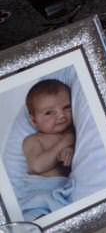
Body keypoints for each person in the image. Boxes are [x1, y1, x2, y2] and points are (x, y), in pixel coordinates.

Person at [16, 78, 75, 220]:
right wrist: (64, 143)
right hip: (39, 192)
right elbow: (37, 166)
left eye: (66, 107)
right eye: (49, 112)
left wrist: (70, 151)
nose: (61, 115)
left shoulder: (73, 133)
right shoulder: (33, 140)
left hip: (62, 191)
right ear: (34, 120)